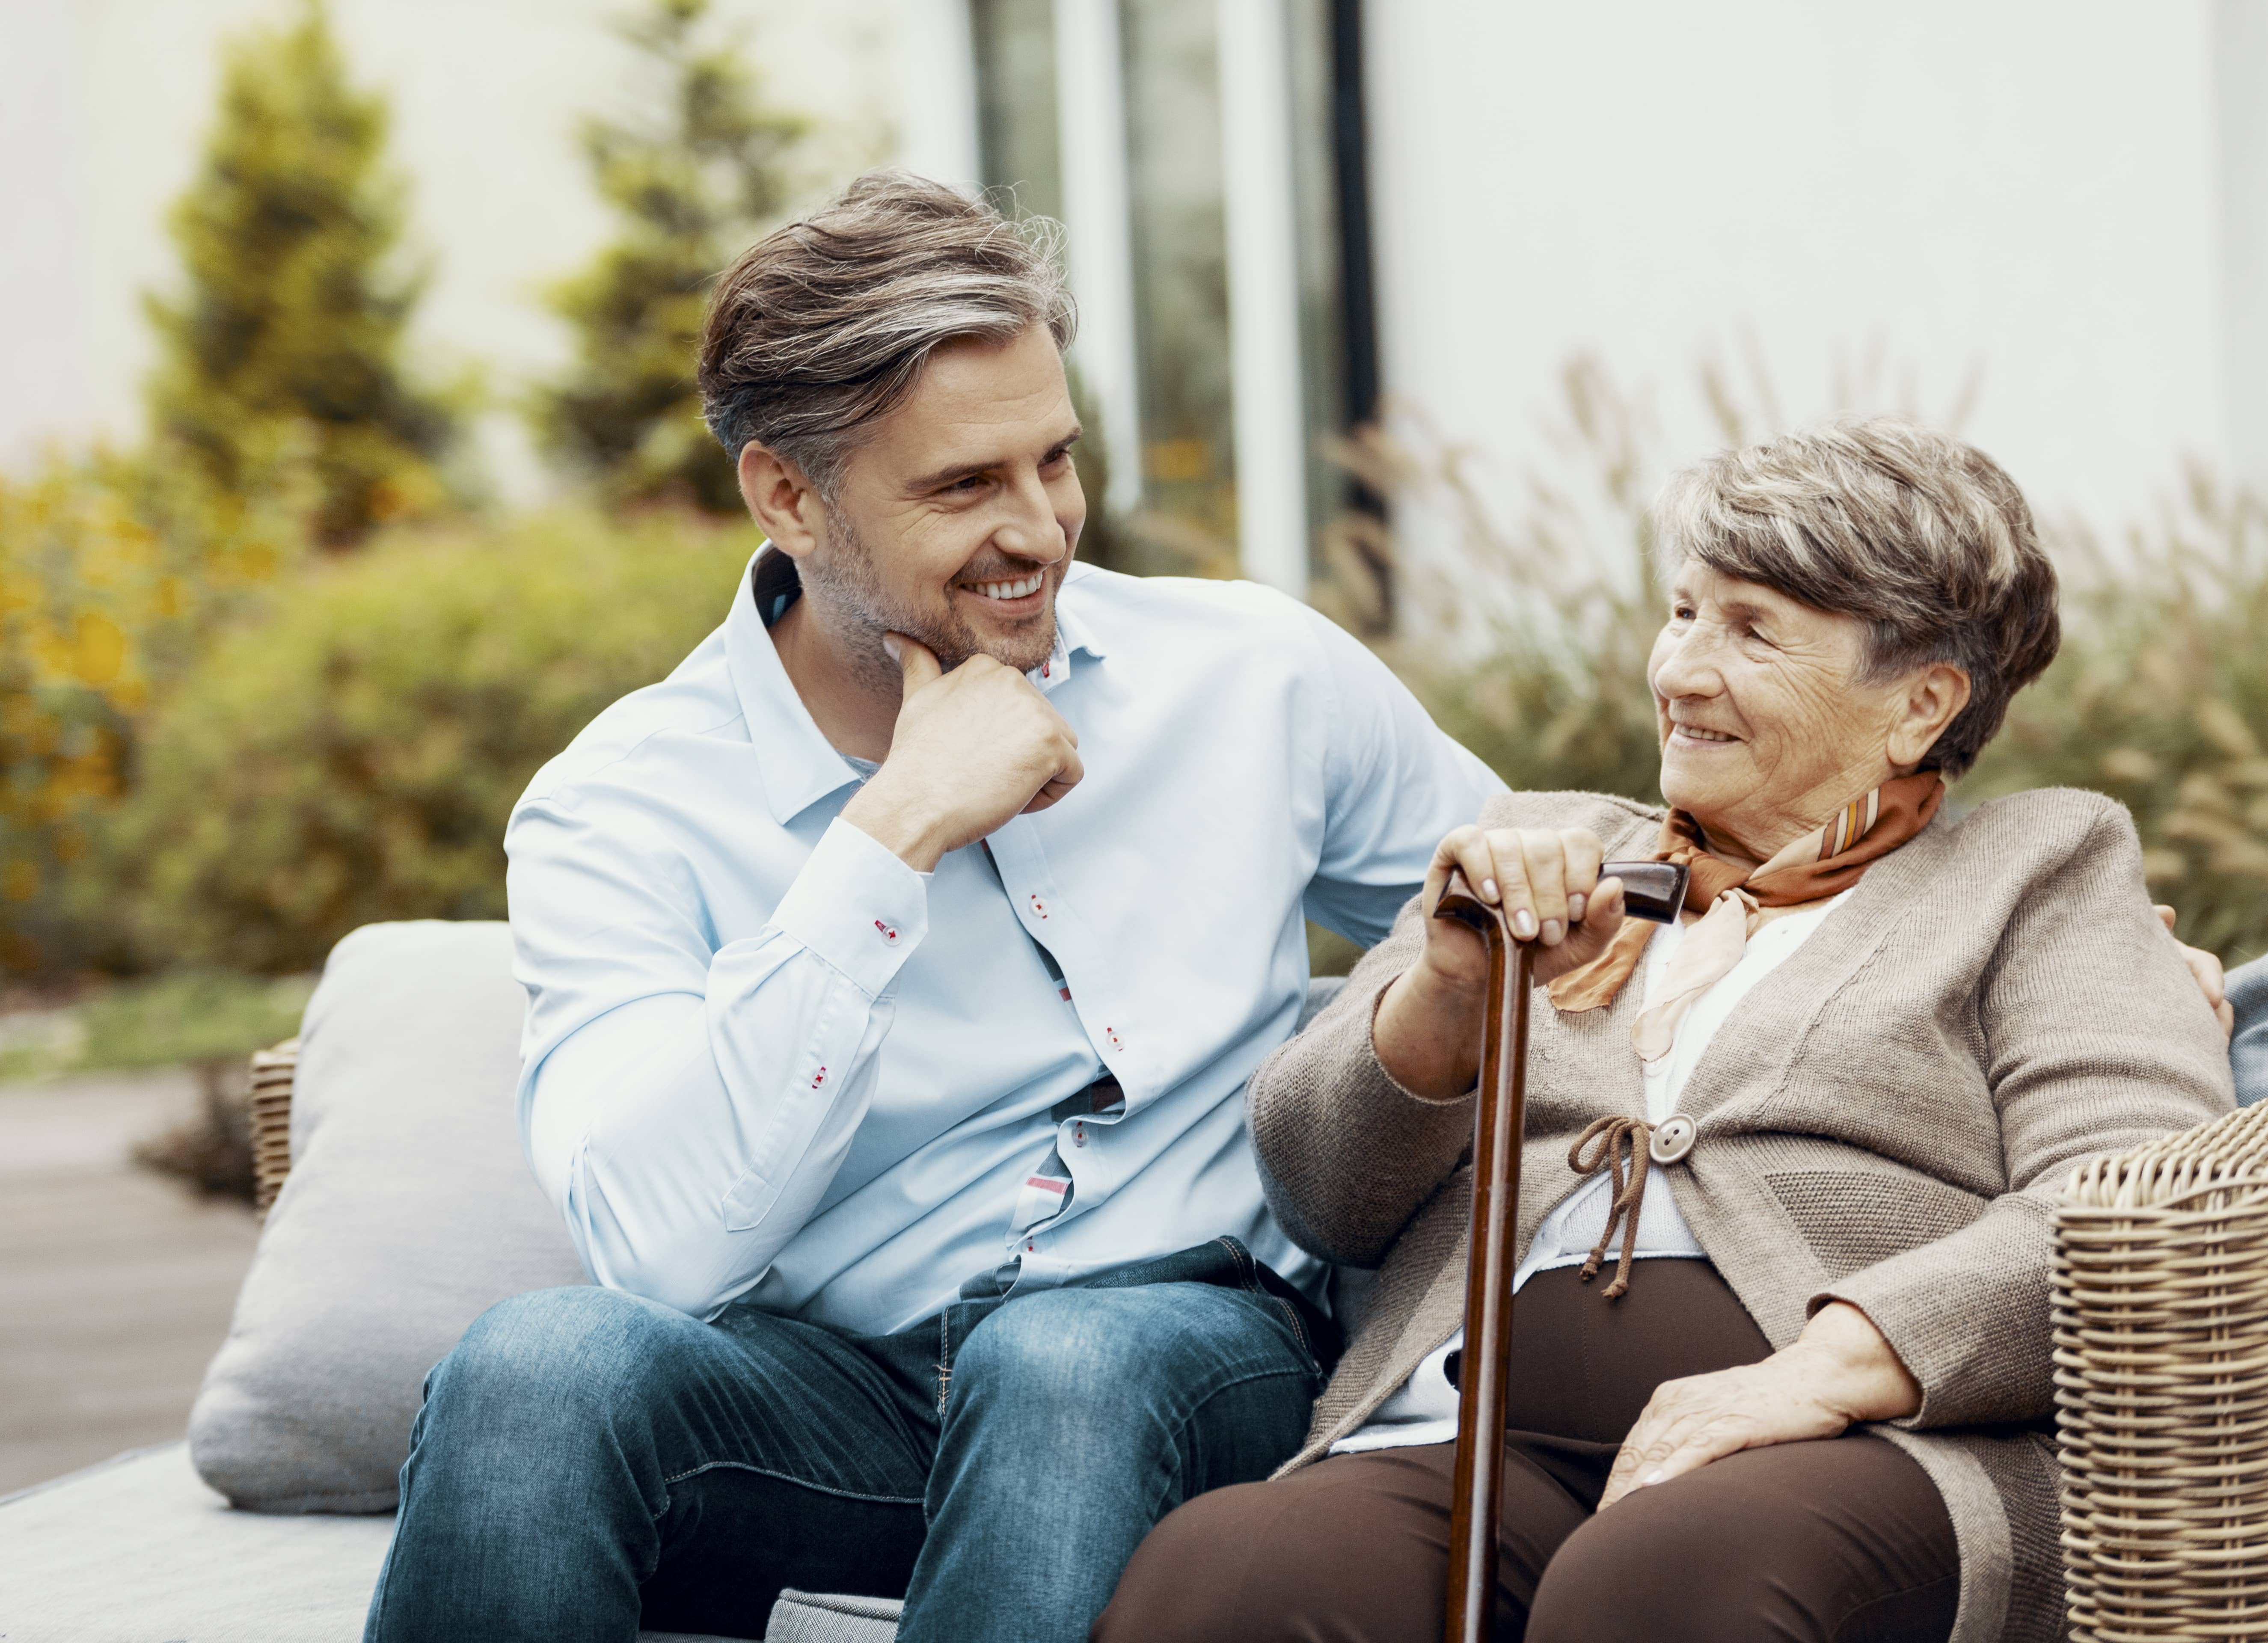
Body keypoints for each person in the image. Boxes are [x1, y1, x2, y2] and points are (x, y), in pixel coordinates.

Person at [359, 170, 1504, 1643]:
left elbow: (1523, 881)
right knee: (540, 1368)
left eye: (1057, 461)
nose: (1042, 530)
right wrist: (887, 837)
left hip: (1186, 1350)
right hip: (834, 1392)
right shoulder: (622, 803)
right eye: (964, 488)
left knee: (1071, 1362)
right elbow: (658, 1251)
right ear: (787, 495)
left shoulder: (1255, 676)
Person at [1098, 419, 2245, 1643]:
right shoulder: (1547, 847)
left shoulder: (2041, 875)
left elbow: (2130, 1207)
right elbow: (1322, 1196)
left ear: (1922, 704)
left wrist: (1807, 1377)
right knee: (1228, 1578)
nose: (1681, 670)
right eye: (1683, 611)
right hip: (1479, 1444)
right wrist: (1448, 992)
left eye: (1752, 630)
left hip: (1863, 1452)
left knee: (1667, 1584)